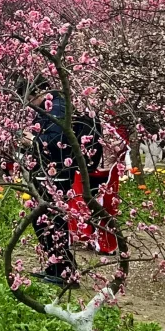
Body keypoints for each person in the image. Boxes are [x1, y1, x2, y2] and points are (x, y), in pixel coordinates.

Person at [28, 92, 104, 287]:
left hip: (55, 172)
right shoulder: (58, 104)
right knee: (46, 220)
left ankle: (64, 270)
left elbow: (54, 143)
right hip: (52, 171)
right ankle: (56, 266)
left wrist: (31, 140)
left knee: (50, 221)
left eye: (30, 99)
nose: (29, 105)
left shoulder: (56, 107)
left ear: (39, 92)